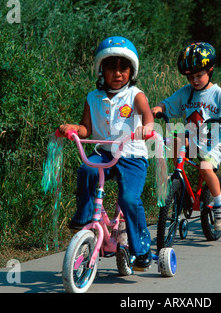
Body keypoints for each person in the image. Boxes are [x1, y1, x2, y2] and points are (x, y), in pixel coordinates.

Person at [57, 36, 154, 269]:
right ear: (101, 70)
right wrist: (73, 129)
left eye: (123, 68)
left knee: (129, 199)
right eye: (111, 68)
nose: (117, 73)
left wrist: (145, 130)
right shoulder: (93, 97)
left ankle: (142, 249)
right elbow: (86, 129)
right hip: (105, 153)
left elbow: (149, 121)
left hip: (132, 156)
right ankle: (84, 217)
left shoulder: (136, 96)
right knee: (86, 169)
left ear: (132, 71)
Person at [151, 42, 221, 231]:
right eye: (190, 76)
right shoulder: (186, 93)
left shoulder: (216, 93)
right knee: (170, 146)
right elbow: (168, 103)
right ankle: (176, 188)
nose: (194, 80)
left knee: (206, 167)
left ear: (210, 70)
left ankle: (219, 206)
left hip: (212, 143)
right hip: (192, 139)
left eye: (199, 75)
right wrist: (160, 107)